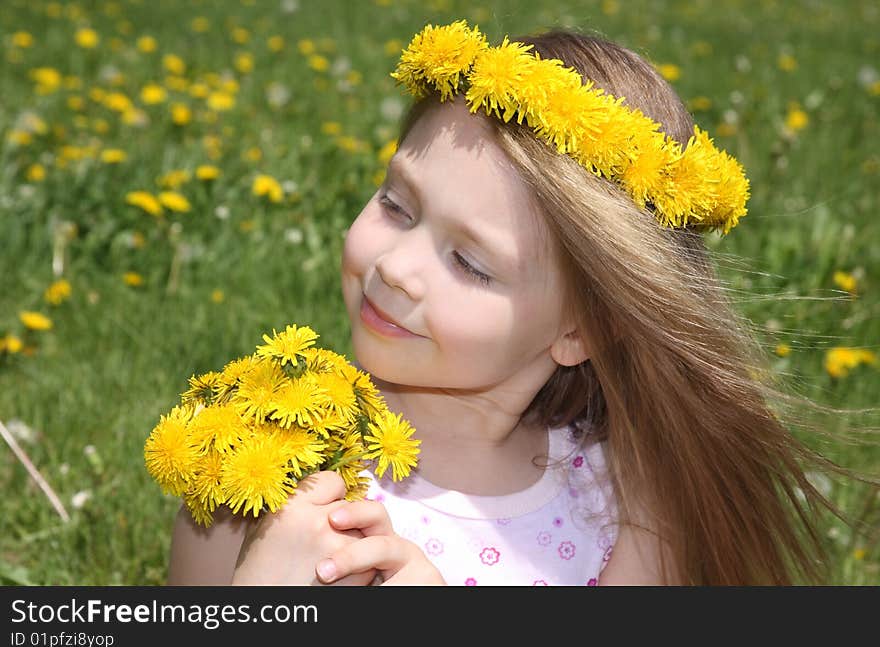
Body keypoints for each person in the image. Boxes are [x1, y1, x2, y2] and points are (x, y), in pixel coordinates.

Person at [168, 20, 869, 586]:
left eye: (470, 263)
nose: (399, 267)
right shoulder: (275, 467)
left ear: (580, 330)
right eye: (395, 204)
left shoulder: (619, 494)